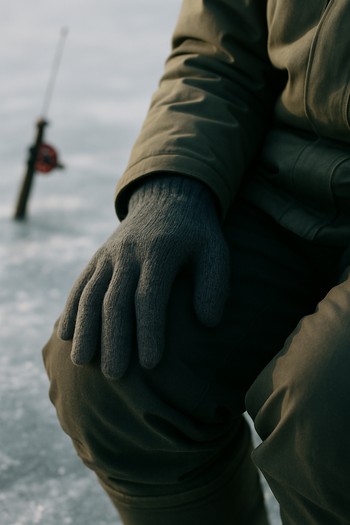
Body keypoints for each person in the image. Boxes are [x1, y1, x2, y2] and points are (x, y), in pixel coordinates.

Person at [42, 1, 350, 523]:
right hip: (279, 179)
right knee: (108, 368)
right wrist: (173, 187)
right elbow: (216, 51)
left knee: (328, 413)